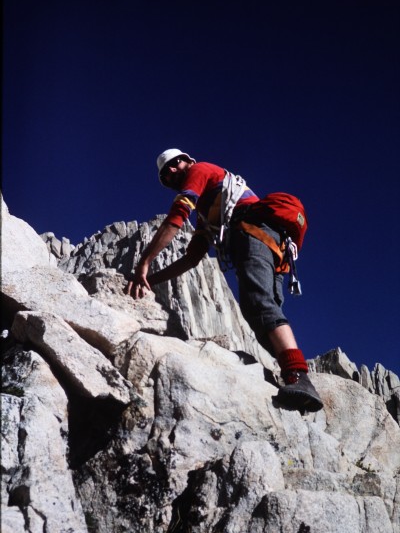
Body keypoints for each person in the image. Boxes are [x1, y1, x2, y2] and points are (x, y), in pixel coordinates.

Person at [126, 148, 323, 412]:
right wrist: (150, 278)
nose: (171, 171)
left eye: (174, 164)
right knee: (263, 315)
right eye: (165, 174)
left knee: (260, 306)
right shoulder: (208, 216)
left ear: (187, 161)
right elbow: (192, 259)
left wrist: (144, 262)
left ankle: (298, 377)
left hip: (253, 236)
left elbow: (176, 216)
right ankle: (295, 378)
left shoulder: (200, 171)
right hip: (272, 247)